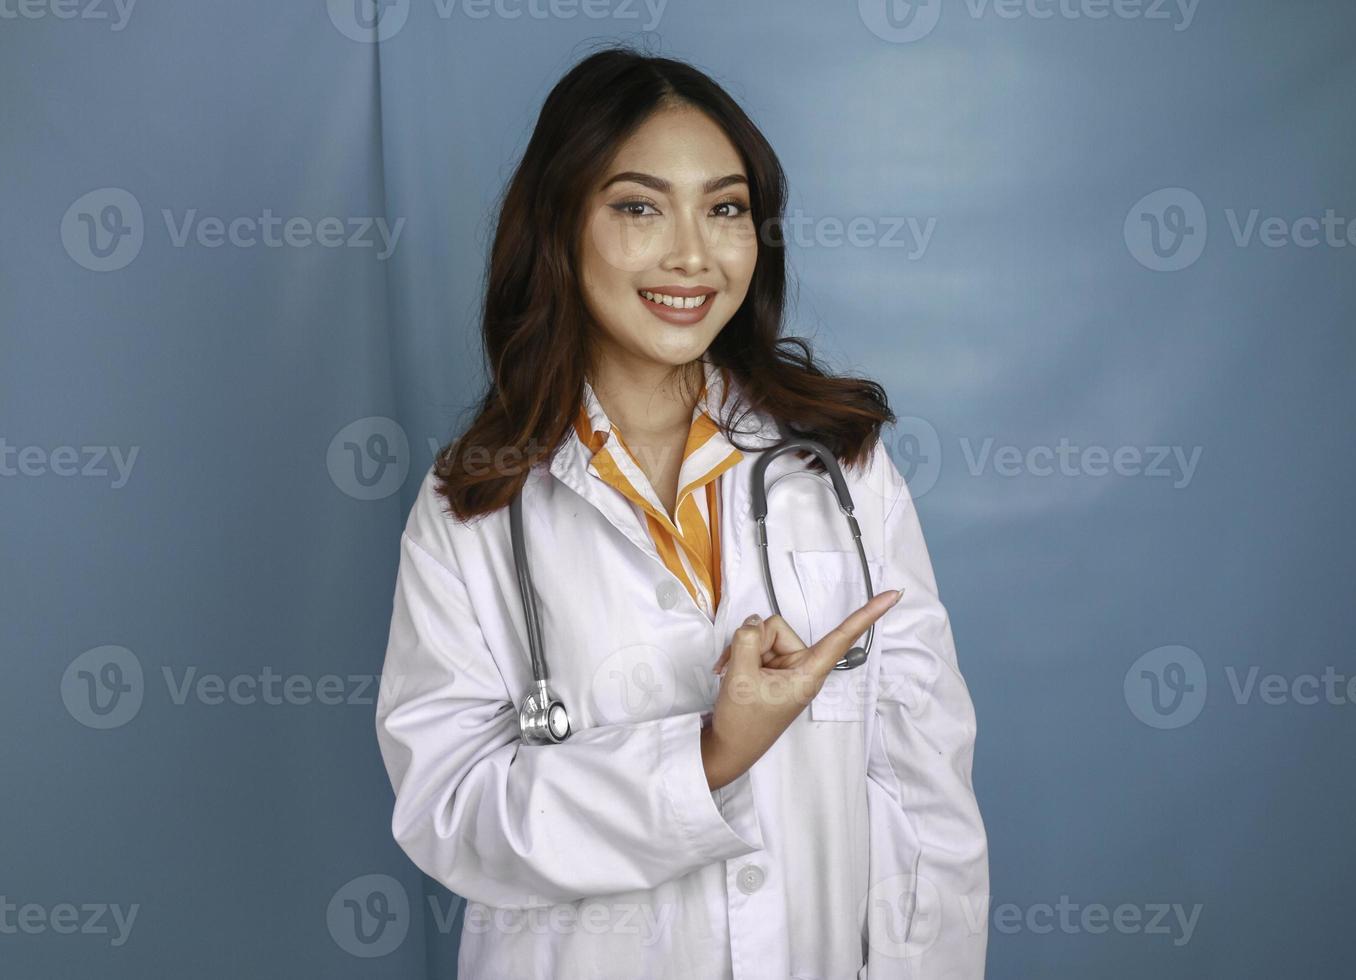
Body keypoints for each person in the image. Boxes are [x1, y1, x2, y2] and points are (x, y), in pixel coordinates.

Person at [374, 44, 989, 980]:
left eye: (726, 208)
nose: (693, 254)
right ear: (558, 224)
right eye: (638, 206)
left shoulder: (840, 471)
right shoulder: (476, 504)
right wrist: (706, 758)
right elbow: (450, 811)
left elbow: (924, 790)